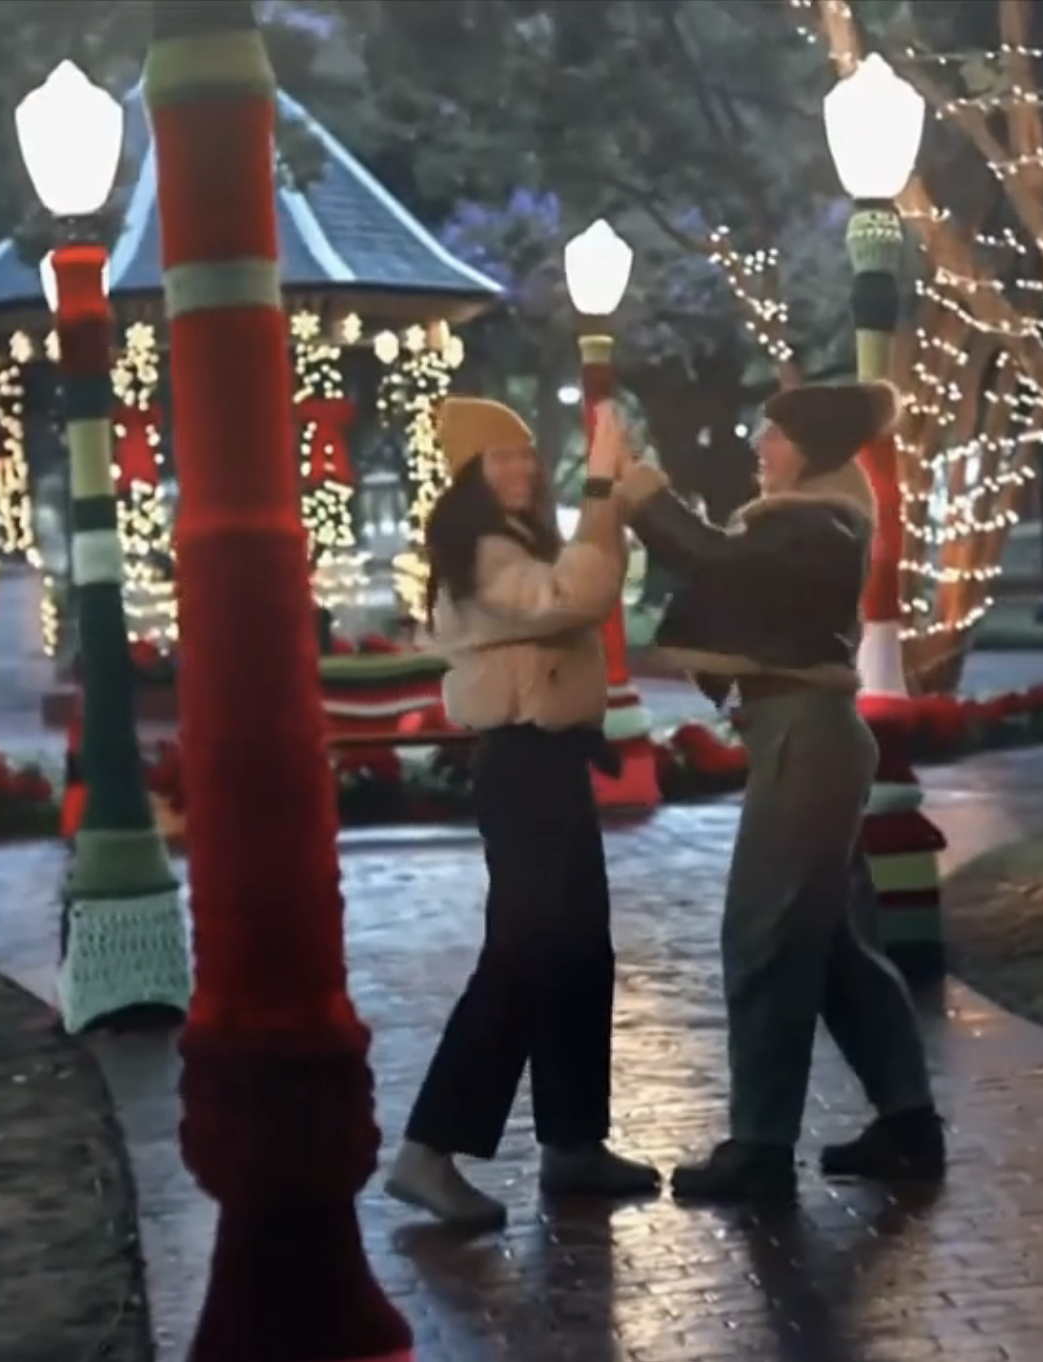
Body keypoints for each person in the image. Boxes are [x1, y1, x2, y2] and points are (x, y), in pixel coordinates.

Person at [612, 380, 945, 1203]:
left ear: (813, 446)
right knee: (835, 949)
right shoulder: (814, 520)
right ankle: (907, 1128)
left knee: (763, 937)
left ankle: (760, 1148)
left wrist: (636, 487)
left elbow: (715, 560)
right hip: (807, 735)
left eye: (774, 434)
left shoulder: (815, 522)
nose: (760, 446)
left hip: (806, 737)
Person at [382, 395, 659, 1230]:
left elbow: (587, 578)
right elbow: (572, 596)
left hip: (554, 764)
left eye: (526, 455)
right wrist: (604, 484)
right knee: (525, 953)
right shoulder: (476, 550)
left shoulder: (515, 539)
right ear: (469, 474)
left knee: (579, 949)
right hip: (521, 769)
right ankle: (428, 1151)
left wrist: (623, 475)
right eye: (501, 458)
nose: (522, 469)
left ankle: (574, 1141)